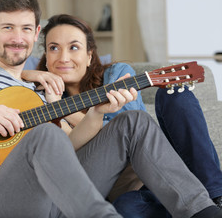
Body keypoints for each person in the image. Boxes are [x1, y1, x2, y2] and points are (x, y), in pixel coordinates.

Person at [0, 0, 222, 218]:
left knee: (133, 122)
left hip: (59, 198)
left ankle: (203, 211)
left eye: (25, 28)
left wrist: (96, 114)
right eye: (7, 27)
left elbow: (67, 149)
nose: (17, 38)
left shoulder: (40, 91)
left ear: (36, 34)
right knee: (44, 134)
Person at [21, 13, 222, 217]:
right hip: (131, 193)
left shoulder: (116, 75)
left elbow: (126, 128)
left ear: (89, 55)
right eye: (54, 48)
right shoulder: (39, 99)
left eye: (74, 47)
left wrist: (61, 109)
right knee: (126, 207)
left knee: (175, 95)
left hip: (166, 171)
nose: (63, 57)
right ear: (46, 57)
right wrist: (31, 75)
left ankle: (216, 198)